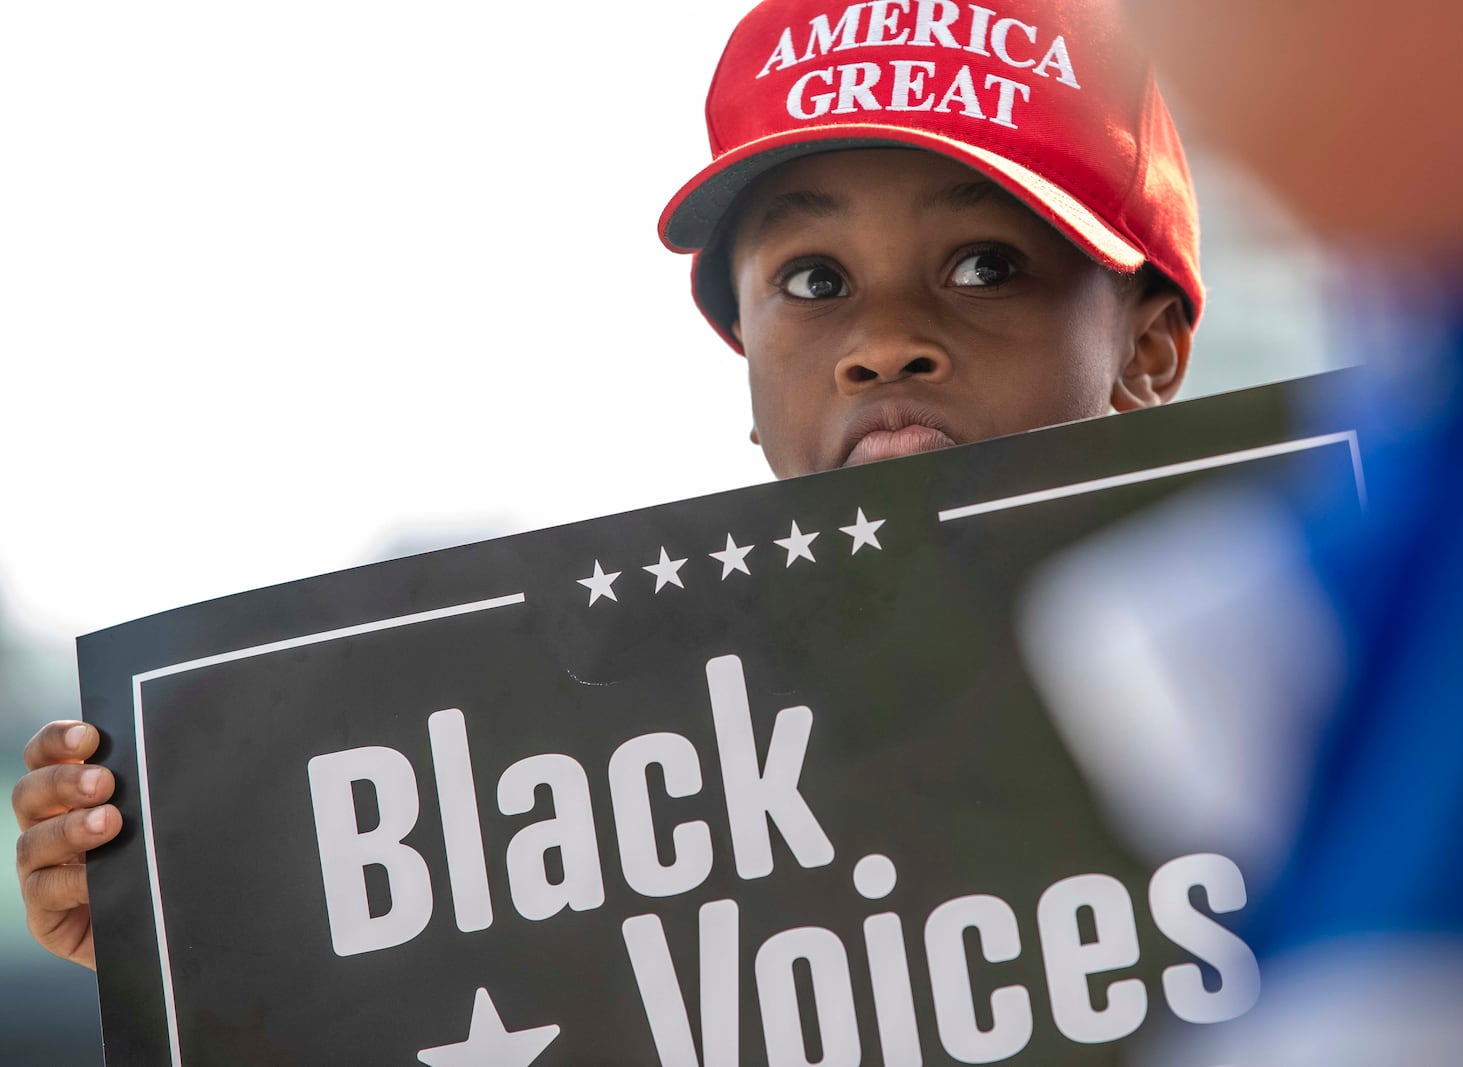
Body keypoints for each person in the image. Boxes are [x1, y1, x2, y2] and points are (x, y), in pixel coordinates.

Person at [15, 0, 1203, 971]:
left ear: (1147, 345)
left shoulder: (1308, 638)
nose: (882, 341)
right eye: (810, 280)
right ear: (744, 354)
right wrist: (194, 951)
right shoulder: (585, 761)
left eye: (984, 264)